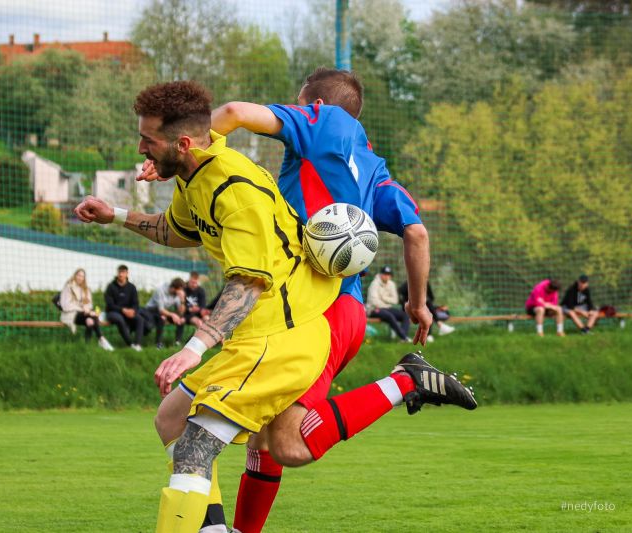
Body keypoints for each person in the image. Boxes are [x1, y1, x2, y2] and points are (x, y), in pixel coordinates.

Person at [138, 71, 476, 533]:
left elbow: (235, 113)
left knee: (290, 443)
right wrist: (418, 305)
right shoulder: (374, 169)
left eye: (297, 104)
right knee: (238, 428)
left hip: (321, 307)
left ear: (312, 102)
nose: (293, 112)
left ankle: (405, 382)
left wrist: (189, 145)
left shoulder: (324, 122)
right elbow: (416, 231)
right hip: (322, 306)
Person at [59, 268, 114, 351]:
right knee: (92, 317)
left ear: (84, 278)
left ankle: (87, 345)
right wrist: (83, 309)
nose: (80, 278)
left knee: (90, 321)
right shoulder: (68, 287)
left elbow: (89, 304)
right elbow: (65, 305)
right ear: (75, 275)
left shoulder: (85, 289)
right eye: (78, 275)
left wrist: (87, 309)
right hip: (71, 314)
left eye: (82, 276)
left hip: (83, 314)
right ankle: (101, 339)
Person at [104, 264, 145, 351]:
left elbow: (136, 303)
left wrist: (133, 311)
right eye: (119, 272)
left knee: (140, 319)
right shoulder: (111, 287)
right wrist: (123, 310)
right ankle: (130, 344)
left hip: (129, 312)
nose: (121, 274)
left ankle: (137, 344)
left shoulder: (132, 287)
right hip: (113, 312)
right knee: (119, 319)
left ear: (127, 273)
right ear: (117, 273)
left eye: (123, 272)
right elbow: (110, 304)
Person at [366, 266, 411, 342]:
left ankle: (403, 337)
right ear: (380, 274)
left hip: (387, 308)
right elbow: (374, 302)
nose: (387, 276)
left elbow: (395, 300)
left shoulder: (392, 284)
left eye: (389, 274)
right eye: (385, 274)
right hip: (374, 310)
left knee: (405, 315)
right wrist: (386, 303)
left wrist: (383, 298)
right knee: (389, 315)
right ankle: (404, 337)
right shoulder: (374, 284)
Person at [139, 278, 186, 348]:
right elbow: (160, 310)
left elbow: (181, 312)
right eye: (179, 290)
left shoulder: (177, 295)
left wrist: (182, 300)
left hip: (164, 312)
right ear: (173, 288)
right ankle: (158, 343)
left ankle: (177, 342)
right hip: (151, 310)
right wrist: (172, 315)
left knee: (181, 319)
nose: (180, 292)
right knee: (162, 318)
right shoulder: (160, 290)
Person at [175, 271, 208, 342]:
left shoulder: (201, 290)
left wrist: (198, 309)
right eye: (192, 282)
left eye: (196, 283)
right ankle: (191, 343)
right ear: (189, 280)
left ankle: (195, 341)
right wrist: (189, 309)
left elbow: (203, 306)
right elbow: (179, 305)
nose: (194, 285)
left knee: (207, 319)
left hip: (197, 313)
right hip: (186, 314)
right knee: (199, 322)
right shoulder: (183, 289)